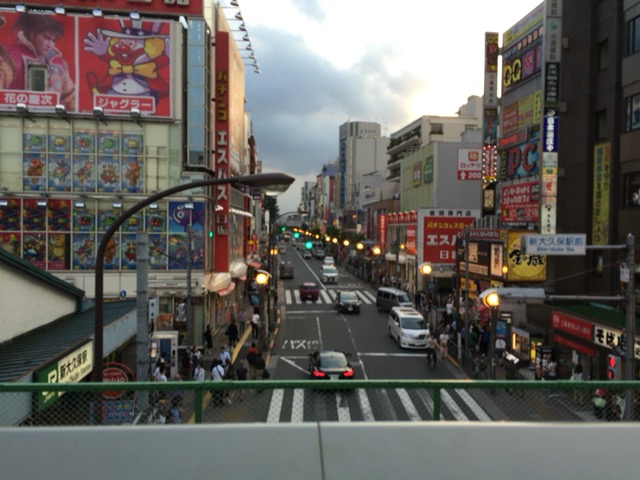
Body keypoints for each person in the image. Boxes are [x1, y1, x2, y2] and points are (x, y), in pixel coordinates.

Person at [6, 14, 75, 109]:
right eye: (46, 38)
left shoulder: (59, 64)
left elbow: (69, 100)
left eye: (53, 40)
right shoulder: (9, 56)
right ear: (32, 34)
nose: (50, 45)